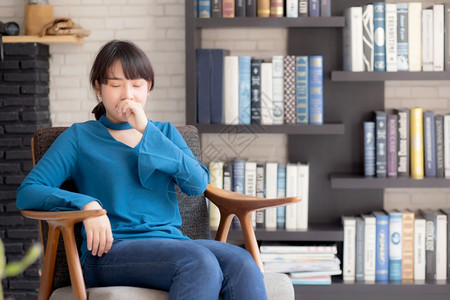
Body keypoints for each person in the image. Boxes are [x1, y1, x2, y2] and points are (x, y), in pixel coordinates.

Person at [16, 40, 267, 300]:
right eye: (115, 84)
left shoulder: (165, 133)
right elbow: (28, 192)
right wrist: (86, 205)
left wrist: (148, 131)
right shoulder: (80, 137)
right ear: (98, 88)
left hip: (173, 246)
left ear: (148, 88)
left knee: (242, 262)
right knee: (198, 261)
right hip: (110, 253)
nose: (128, 94)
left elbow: (196, 184)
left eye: (137, 85)